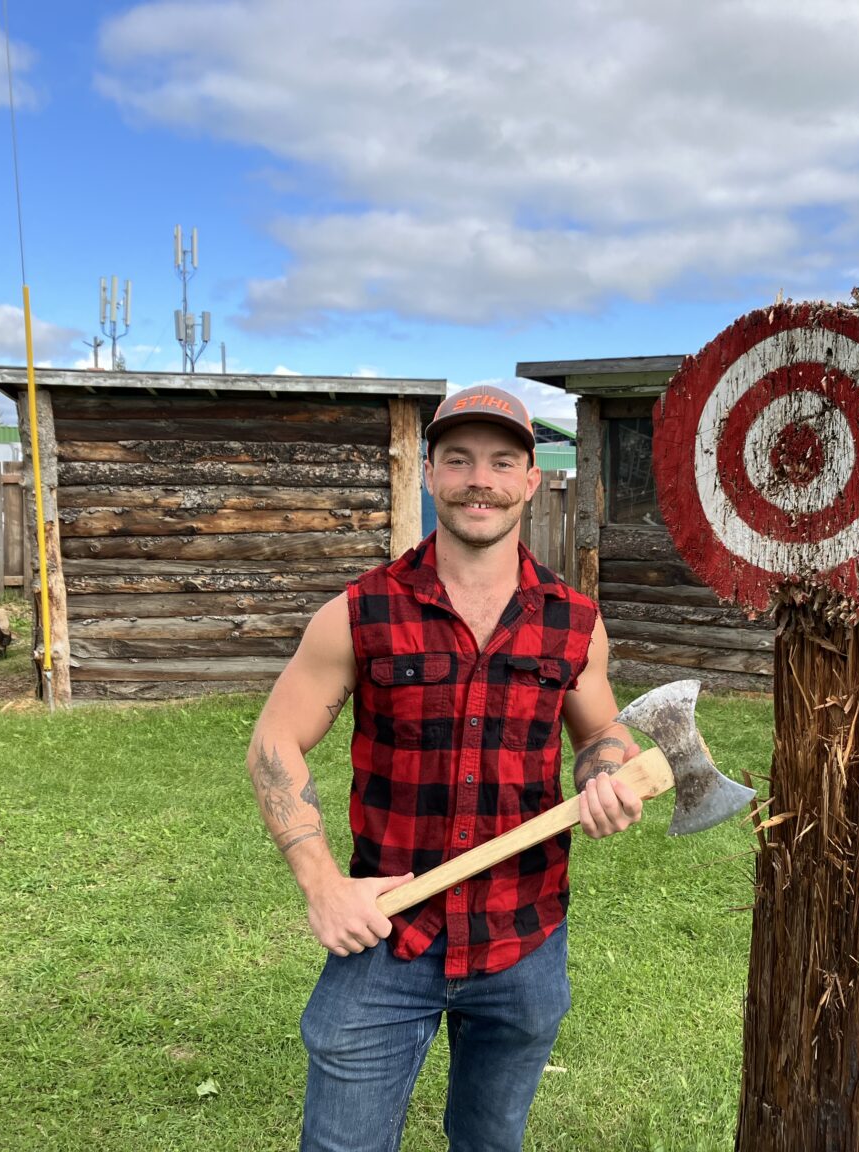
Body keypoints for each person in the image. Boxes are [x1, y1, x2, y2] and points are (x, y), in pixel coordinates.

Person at [248, 384, 645, 1152]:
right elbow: (274, 741)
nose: (480, 480)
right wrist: (322, 885)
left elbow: (602, 732)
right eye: (458, 459)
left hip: (524, 937)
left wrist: (608, 769)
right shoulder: (360, 614)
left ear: (532, 481)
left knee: (491, 1144)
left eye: (502, 462)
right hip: (391, 925)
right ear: (429, 473)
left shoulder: (574, 622)